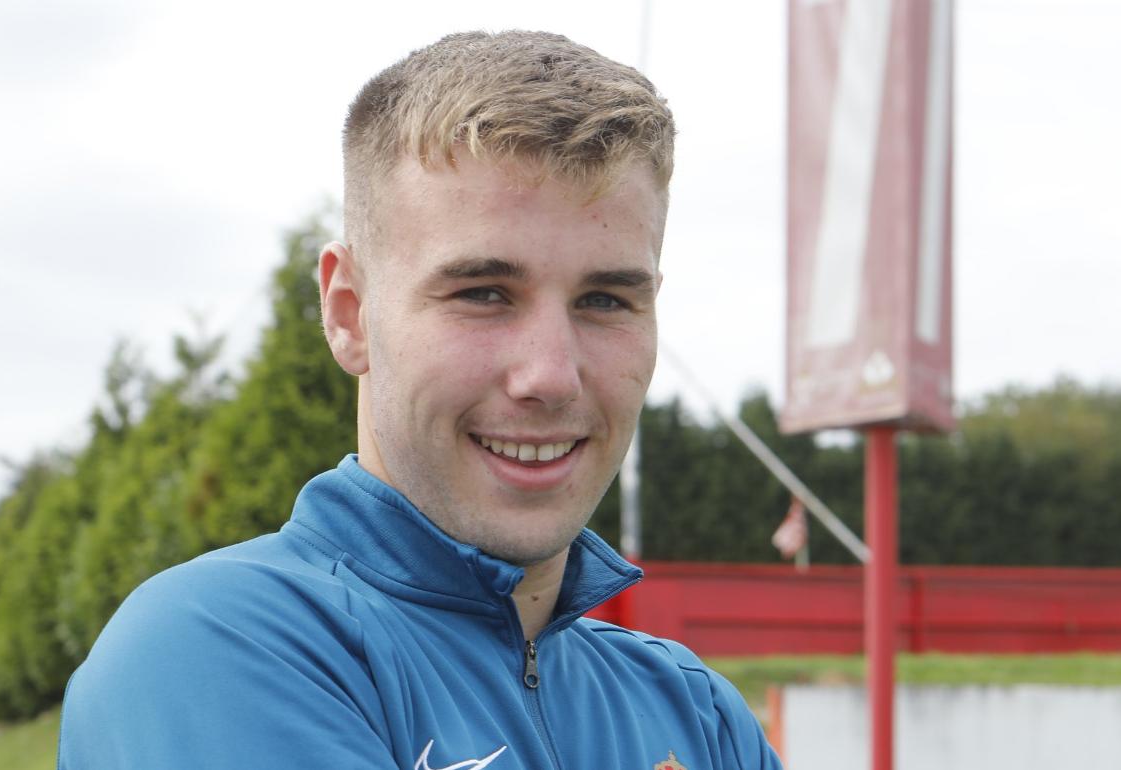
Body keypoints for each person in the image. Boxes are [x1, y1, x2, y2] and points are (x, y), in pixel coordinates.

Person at [58, 30, 782, 770]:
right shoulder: (209, 648)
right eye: (483, 293)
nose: (552, 376)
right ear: (348, 313)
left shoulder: (695, 715)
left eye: (604, 299)